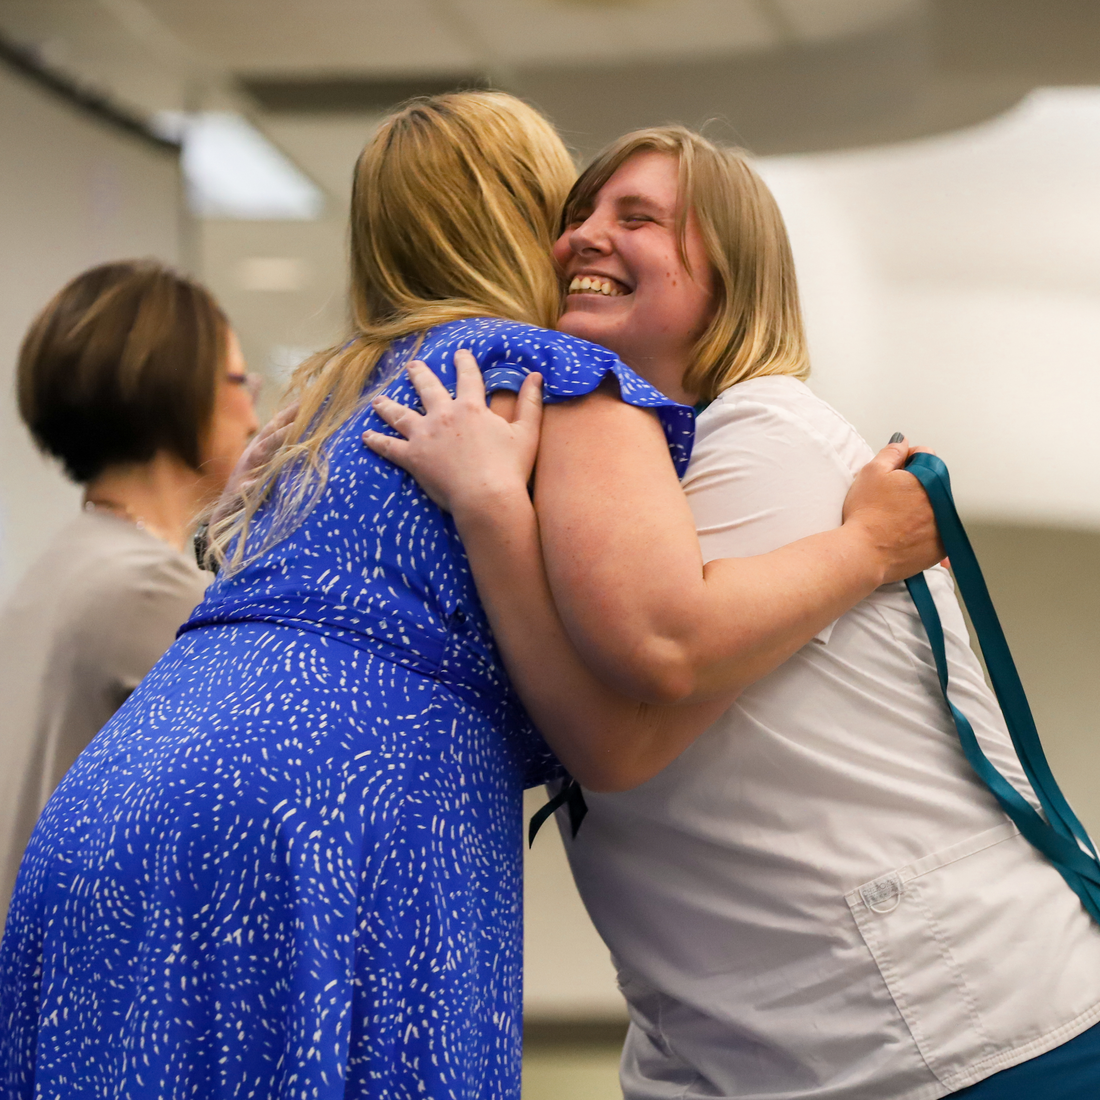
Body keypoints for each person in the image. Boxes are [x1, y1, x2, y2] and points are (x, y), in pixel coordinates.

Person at [0, 95, 936, 1100]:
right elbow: (665, 639)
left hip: (102, 808)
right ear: (529, 215)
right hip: (326, 820)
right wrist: (864, 547)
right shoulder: (552, 376)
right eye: (570, 207)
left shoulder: (321, 402)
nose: (581, 237)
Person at [367, 126, 1100, 1099]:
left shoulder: (763, 431)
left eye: (638, 218)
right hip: (767, 1043)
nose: (585, 236)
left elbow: (643, 686)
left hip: (959, 1030)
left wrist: (494, 512)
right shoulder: (612, 469)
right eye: (577, 215)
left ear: (732, 275)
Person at [0, 260, 259, 922]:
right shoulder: (144, 588)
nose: (255, 415)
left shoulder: (76, 561)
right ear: (182, 392)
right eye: (240, 381)